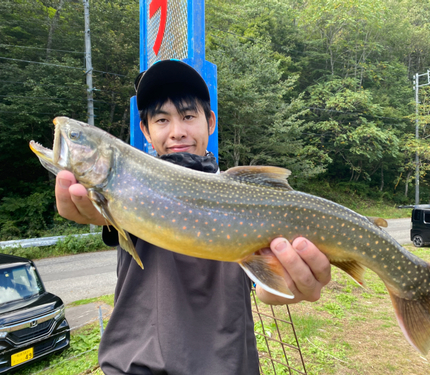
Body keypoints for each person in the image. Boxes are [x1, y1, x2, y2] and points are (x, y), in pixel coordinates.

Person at [54, 60, 331, 374]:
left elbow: (265, 284)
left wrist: (287, 286)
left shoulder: (244, 195)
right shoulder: (127, 185)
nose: (177, 131)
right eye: (161, 119)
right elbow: (98, 209)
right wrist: (99, 210)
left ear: (210, 122)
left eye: (188, 116)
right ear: (145, 129)